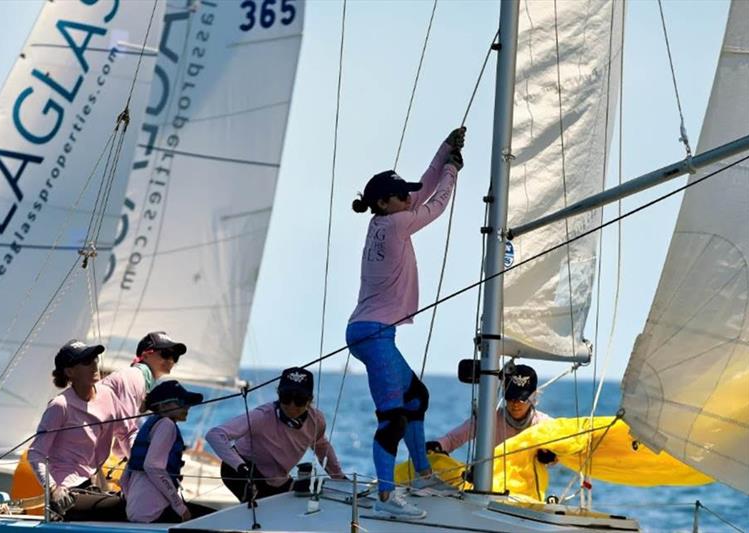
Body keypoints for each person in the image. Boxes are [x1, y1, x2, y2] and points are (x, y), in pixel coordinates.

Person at [345, 127, 465, 520]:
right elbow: (436, 204)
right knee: (393, 417)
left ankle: (424, 475)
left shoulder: (385, 217)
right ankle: (385, 496)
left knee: (417, 399)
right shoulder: (396, 224)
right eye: (402, 196)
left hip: (373, 332)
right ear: (384, 202)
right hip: (373, 335)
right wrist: (453, 172)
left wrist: (446, 150)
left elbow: (421, 189)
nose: (408, 198)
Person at [27, 340, 136, 521]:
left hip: (93, 487)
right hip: (67, 494)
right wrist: (53, 489)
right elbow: (35, 454)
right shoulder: (60, 405)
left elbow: (127, 434)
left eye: (95, 359)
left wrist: (141, 464)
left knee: (140, 506)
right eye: (86, 362)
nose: (94, 364)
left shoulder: (108, 395)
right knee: (128, 509)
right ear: (70, 372)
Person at [206, 368, 345, 503]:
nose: (292, 406)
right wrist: (240, 467)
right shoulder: (262, 416)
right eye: (286, 398)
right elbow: (215, 435)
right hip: (241, 471)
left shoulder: (316, 421)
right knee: (259, 507)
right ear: (278, 395)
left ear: (309, 400)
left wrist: (339, 478)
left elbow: (321, 446)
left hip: (278, 479)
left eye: (300, 400)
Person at [121, 380, 215, 523]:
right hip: (155, 515)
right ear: (163, 406)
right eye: (181, 402)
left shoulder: (149, 425)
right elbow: (152, 466)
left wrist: (134, 504)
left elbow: (124, 479)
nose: (187, 407)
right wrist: (180, 507)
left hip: (134, 512)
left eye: (188, 402)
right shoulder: (167, 425)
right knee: (212, 518)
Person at [426, 364, 555, 464]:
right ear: (504, 393)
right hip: (491, 487)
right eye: (511, 397)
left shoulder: (545, 425)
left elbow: (567, 451)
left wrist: (553, 456)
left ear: (534, 396)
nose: (516, 403)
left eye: (522, 399)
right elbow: (452, 439)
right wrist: (437, 445)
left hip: (526, 493)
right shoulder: (488, 420)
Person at [101, 331, 188, 438]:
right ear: (146, 355)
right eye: (166, 354)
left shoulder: (141, 380)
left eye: (175, 357)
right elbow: (125, 430)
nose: (171, 360)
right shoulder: (134, 376)